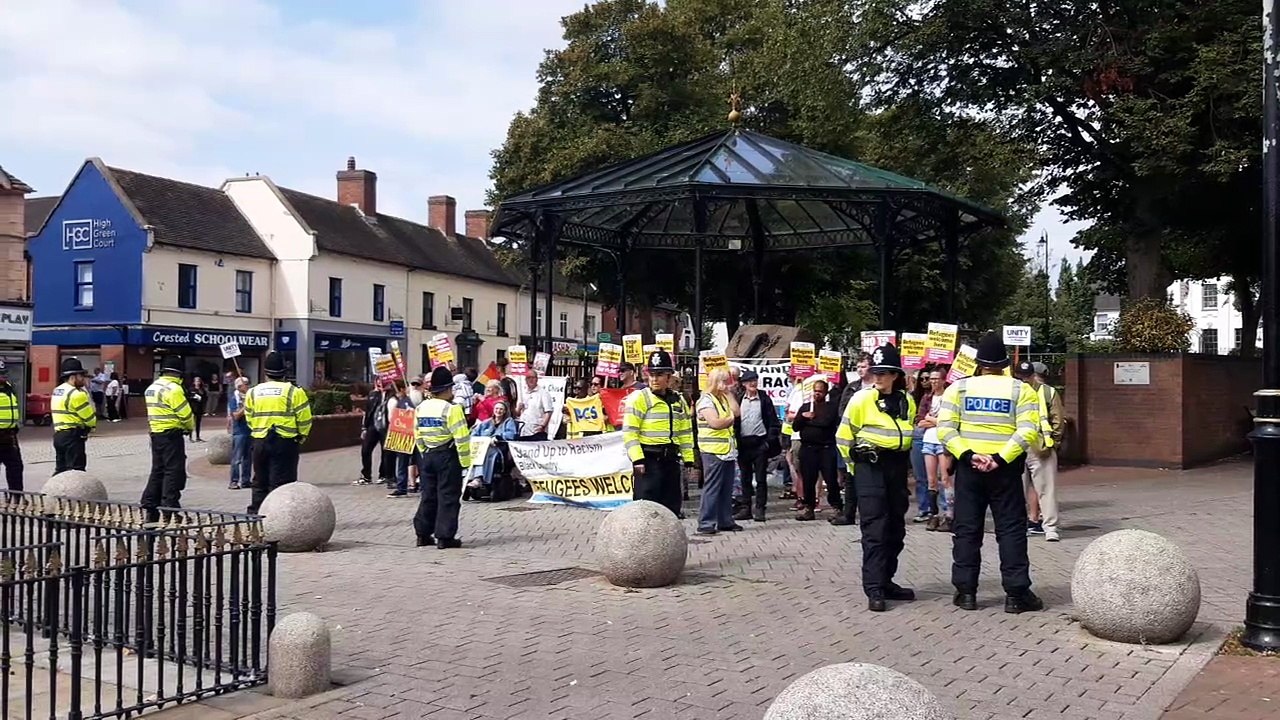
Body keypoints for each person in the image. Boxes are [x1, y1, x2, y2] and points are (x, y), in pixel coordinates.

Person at [936, 333, 1044, 614]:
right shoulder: (1021, 390)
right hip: (1004, 472)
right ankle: (1016, 594)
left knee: (967, 530)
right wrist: (999, 458)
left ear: (978, 362)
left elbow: (945, 430)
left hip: (969, 469)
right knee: (1010, 530)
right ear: (1005, 362)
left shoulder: (957, 389)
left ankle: (966, 592)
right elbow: (1028, 431)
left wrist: (969, 455)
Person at [836, 344, 917, 612]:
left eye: (884, 373)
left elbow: (907, 431)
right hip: (868, 467)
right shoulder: (861, 399)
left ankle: (886, 580)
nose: (878, 377)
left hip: (896, 466)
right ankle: (873, 588)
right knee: (875, 529)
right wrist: (853, 469)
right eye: (875, 372)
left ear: (895, 375)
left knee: (896, 528)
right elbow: (843, 436)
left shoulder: (907, 400)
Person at [622, 349, 695, 518]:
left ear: (669, 376)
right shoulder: (639, 398)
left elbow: (685, 431)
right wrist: (638, 459)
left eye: (659, 374)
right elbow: (630, 432)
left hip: (670, 460)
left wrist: (689, 459)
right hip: (648, 460)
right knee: (645, 508)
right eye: (651, 374)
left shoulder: (678, 400)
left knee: (671, 507)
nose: (654, 379)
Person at [245, 351, 313, 514]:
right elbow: (305, 420)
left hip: (259, 441)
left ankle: (256, 517)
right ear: (284, 371)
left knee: (259, 482)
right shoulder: (294, 392)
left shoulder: (253, 392)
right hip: (285, 442)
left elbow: (249, 417)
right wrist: (301, 437)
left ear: (265, 372)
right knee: (282, 484)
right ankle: (279, 518)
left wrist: (259, 431)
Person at [413, 366, 471, 549]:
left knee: (428, 495)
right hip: (447, 455)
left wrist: (424, 451)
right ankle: (445, 537)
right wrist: (465, 462)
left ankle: (422, 534)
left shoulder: (421, 408)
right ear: (446, 389)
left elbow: (417, 434)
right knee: (448, 496)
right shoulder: (452, 409)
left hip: (428, 456)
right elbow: (462, 438)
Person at [142, 355, 195, 523]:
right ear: (178, 374)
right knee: (174, 471)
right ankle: (170, 508)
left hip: (156, 434)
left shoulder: (152, 388)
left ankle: (150, 503)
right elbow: (185, 414)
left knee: (158, 469)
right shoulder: (174, 389)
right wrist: (189, 428)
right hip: (172, 435)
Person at [1018, 361, 1064, 542]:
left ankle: (1050, 527)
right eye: (1021, 376)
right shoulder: (1015, 390)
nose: (1024, 379)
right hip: (1018, 446)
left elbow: (1058, 419)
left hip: (1040, 446)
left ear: (1033, 375)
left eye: (1027, 376)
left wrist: (1053, 443)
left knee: (1046, 489)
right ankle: (1022, 525)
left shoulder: (1047, 392)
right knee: (1017, 490)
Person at [695, 367, 741, 535]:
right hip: (712, 450)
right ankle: (706, 522)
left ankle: (725, 520)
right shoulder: (706, 400)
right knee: (713, 487)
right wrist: (729, 420)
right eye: (724, 381)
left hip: (726, 450)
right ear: (715, 382)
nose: (727, 384)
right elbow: (715, 422)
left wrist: (729, 394)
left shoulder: (721, 398)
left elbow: (736, 411)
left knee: (726, 488)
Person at [733, 369, 780, 522]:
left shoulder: (764, 399)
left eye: (755, 380)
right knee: (745, 478)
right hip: (744, 444)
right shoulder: (739, 399)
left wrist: (768, 442)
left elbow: (773, 422)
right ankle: (746, 507)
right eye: (749, 381)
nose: (753, 383)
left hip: (760, 443)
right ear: (744, 384)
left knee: (760, 478)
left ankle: (760, 508)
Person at [832, 353, 873, 527]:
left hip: (870, 437)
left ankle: (868, 514)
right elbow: (842, 410)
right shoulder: (852, 388)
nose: (860, 370)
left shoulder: (876, 387)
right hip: (852, 436)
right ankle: (848, 514)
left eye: (863, 366)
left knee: (868, 479)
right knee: (850, 477)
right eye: (858, 367)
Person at [793, 378, 843, 522]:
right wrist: (803, 417)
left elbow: (826, 423)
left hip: (826, 448)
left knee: (830, 479)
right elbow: (796, 426)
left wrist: (811, 421)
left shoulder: (831, 407)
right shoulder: (805, 407)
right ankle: (809, 507)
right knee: (808, 479)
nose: (817, 394)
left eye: (820, 391)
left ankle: (836, 506)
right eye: (815, 391)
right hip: (808, 448)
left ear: (825, 392)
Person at [921, 368, 955, 533]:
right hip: (928, 440)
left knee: (946, 479)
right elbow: (919, 420)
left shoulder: (949, 397)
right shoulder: (926, 398)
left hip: (943, 442)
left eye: (936, 378)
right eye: (930, 378)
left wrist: (931, 419)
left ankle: (949, 516)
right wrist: (934, 420)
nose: (933, 381)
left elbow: (949, 421)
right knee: (931, 480)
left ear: (943, 380)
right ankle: (933, 514)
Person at [51, 357, 96, 474]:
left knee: (61, 470)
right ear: (73, 376)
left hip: (59, 436)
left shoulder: (57, 390)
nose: (83, 379)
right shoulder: (77, 394)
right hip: (73, 437)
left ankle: (55, 491)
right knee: (77, 471)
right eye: (81, 376)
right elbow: (90, 419)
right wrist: (91, 426)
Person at [467, 400, 519, 498]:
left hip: (499, 449)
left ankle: (479, 478)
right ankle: (472, 477)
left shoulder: (508, 422)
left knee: (487, 453)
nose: (498, 411)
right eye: (497, 408)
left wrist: (498, 437)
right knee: (475, 454)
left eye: (501, 409)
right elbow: (474, 433)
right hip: (482, 447)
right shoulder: (486, 422)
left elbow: (511, 434)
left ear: (505, 411)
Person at [358, 379, 388, 485]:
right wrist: (364, 428)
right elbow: (367, 412)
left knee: (385, 451)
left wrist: (385, 393)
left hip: (385, 427)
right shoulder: (372, 395)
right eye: (378, 380)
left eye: (383, 380)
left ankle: (383, 475)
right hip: (373, 426)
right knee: (365, 450)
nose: (380, 383)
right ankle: (366, 475)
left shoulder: (391, 395)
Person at [0, 360, 23, 492]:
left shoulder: (8, 387)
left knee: (16, 467)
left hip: (10, 435)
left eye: (4, 373)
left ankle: (17, 497)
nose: (3, 377)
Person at [227, 376, 252, 490]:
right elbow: (236, 415)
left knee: (248, 457)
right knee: (237, 458)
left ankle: (246, 480)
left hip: (250, 430)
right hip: (239, 431)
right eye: (245, 384)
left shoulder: (250, 397)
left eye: (248, 383)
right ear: (239, 386)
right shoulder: (234, 399)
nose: (248, 385)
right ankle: (234, 481)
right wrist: (246, 406)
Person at [515, 370, 553, 440]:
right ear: (525, 380)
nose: (531, 380)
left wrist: (542, 426)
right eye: (528, 378)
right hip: (523, 430)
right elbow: (516, 414)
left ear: (537, 379)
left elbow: (548, 412)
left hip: (537, 431)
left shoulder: (543, 393)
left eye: (533, 377)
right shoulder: (522, 393)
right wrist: (518, 408)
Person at [188, 376, 207, 442]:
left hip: (199, 408)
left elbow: (205, 398)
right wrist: (194, 398)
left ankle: (197, 437)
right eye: (196, 381)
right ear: (194, 382)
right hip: (192, 408)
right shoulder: (191, 389)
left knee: (198, 423)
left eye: (199, 381)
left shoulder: (202, 390)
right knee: (192, 423)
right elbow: (188, 397)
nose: (198, 383)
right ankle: (190, 437)